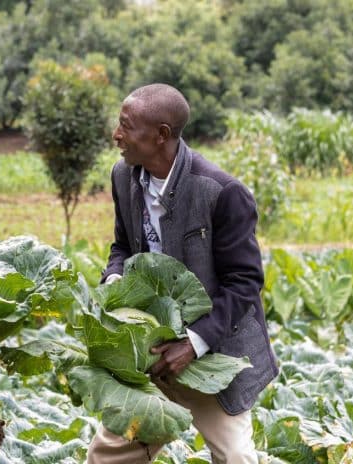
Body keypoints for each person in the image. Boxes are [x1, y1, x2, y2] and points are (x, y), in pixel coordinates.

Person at [87, 84, 278, 464]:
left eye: (126, 125)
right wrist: (114, 279)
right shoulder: (123, 176)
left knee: (237, 457)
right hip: (150, 353)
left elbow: (244, 284)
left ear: (161, 135)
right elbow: (123, 246)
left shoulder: (222, 192)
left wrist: (193, 344)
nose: (116, 134)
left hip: (213, 357)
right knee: (107, 458)